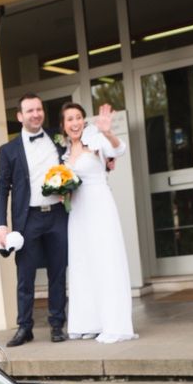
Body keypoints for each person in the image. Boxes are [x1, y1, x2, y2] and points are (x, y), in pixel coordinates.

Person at [0, 93, 68, 346]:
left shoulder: (58, 139)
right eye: (29, 111)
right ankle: (24, 327)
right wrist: (1, 225)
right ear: (19, 116)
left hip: (58, 215)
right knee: (25, 276)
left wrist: (107, 158)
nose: (35, 114)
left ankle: (57, 324)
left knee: (58, 273)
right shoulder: (9, 150)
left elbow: (81, 153)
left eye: (39, 109)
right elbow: (2, 188)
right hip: (28, 220)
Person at [60, 102, 137, 343]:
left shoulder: (96, 140)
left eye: (78, 117)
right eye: (70, 119)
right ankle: (89, 322)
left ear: (84, 120)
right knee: (83, 263)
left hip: (99, 205)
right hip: (77, 210)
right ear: (63, 125)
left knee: (106, 260)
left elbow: (119, 150)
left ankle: (115, 324)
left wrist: (107, 133)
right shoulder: (63, 152)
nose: (75, 123)